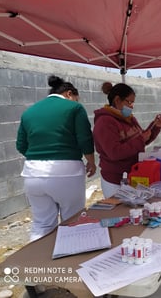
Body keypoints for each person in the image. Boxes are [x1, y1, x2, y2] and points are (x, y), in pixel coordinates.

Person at [16, 75, 96, 241]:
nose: (76, 101)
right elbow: (84, 139)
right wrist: (91, 161)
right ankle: (69, 262)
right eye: (76, 98)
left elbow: (21, 146)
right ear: (69, 94)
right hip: (67, 174)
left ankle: (38, 262)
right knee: (72, 221)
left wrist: (39, 158)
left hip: (32, 175)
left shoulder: (29, 112)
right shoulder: (74, 108)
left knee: (42, 224)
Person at [93, 82, 161, 198]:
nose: (132, 106)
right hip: (115, 180)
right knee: (121, 214)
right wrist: (141, 139)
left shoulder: (129, 119)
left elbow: (142, 140)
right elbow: (114, 152)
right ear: (117, 100)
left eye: (133, 103)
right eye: (129, 102)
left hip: (133, 175)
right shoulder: (104, 122)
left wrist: (156, 126)